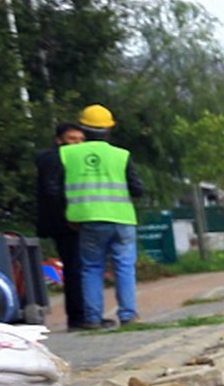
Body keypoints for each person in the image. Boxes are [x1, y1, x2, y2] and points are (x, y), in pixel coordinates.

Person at [60, 103, 150, 329]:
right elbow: (137, 189)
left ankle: (92, 318)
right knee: (124, 266)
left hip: (87, 219)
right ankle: (128, 315)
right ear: (109, 129)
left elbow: (56, 188)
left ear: (82, 128)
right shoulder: (121, 155)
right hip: (122, 218)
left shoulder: (67, 154)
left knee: (91, 267)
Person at [34, 119, 91, 329]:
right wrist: (69, 216)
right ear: (59, 140)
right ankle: (78, 317)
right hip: (64, 222)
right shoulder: (54, 158)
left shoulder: (64, 157)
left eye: (80, 140)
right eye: (71, 139)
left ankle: (85, 315)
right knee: (75, 267)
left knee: (79, 267)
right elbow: (52, 190)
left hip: (69, 219)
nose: (76, 144)